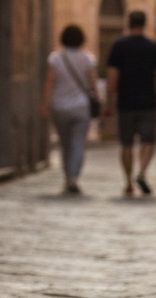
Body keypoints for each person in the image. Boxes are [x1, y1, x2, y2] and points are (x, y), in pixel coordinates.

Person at [105, 10, 156, 196]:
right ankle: (141, 172)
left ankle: (128, 182)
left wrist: (109, 102)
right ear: (144, 24)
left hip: (125, 102)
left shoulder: (118, 46)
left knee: (126, 144)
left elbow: (112, 76)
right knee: (148, 141)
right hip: (148, 101)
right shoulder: (153, 47)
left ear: (128, 23)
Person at [42, 24, 98, 194]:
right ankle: (73, 177)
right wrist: (98, 100)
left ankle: (68, 178)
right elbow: (93, 83)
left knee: (65, 144)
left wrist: (45, 103)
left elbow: (50, 82)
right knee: (78, 143)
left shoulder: (56, 58)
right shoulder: (88, 58)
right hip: (81, 107)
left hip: (60, 107)